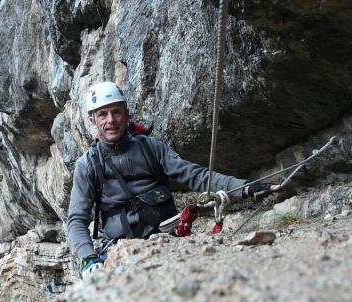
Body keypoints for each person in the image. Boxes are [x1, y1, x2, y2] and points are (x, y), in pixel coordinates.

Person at [67, 81, 275, 275]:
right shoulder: (88, 165)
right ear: (93, 119)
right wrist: (88, 259)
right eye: (103, 114)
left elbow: (194, 175)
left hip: (167, 238)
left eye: (116, 112)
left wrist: (243, 187)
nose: (111, 120)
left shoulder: (151, 148)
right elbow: (77, 219)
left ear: (126, 113)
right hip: (120, 245)